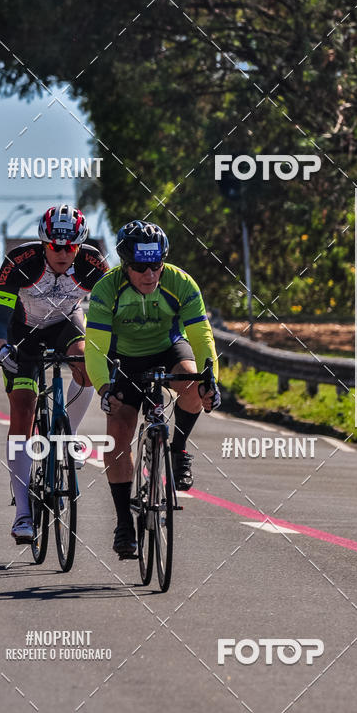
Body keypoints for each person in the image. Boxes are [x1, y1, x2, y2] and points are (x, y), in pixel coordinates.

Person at [84, 220, 221, 558]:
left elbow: (201, 336)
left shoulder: (180, 282)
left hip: (167, 348)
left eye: (156, 265)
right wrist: (104, 389)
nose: (150, 274)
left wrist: (210, 379)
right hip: (124, 358)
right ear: (125, 265)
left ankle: (178, 450)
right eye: (141, 267)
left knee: (191, 379)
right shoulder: (106, 289)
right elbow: (96, 347)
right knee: (118, 430)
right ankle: (123, 524)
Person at [0, 205, 108, 544]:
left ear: (79, 245)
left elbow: (109, 315)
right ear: (43, 243)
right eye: (55, 246)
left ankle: (66, 439)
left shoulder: (94, 264)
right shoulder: (20, 261)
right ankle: (23, 512)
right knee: (23, 409)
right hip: (20, 332)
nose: (63, 253)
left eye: (70, 247)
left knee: (88, 365)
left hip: (65, 326)